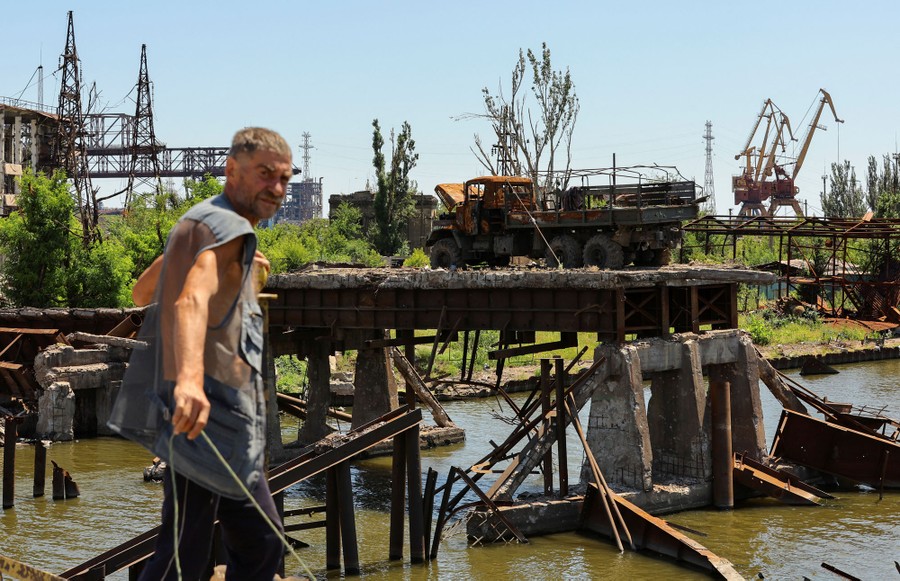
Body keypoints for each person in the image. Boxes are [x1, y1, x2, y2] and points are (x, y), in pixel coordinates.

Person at [109, 127, 293, 580]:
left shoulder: (205, 223)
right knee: (188, 550)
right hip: (206, 413)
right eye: (264, 174)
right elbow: (191, 298)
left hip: (221, 420)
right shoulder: (229, 228)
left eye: (285, 178)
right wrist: (191, 378)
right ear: (232, 171)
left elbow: (142, 291)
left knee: (248, 541)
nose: (276, 187)